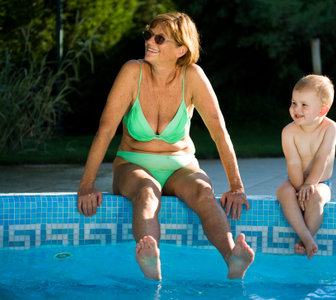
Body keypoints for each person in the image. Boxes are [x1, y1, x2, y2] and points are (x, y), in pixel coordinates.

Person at [77, 12, 254, 281]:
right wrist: (86, 185)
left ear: (181, 49)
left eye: (160, 38)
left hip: (180, 165)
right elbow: (105, 130)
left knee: (204, 193)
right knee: (148, 193)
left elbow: (219, 132)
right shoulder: (132, 72)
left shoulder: (192, 76)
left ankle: (233, 257)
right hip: (133, 162)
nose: (150, 41)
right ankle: (150, 260)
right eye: (149, 34)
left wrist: (237, 187)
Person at [276, 74, 336, 259]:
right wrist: (298, 188)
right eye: (294, 103)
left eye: (304, 105)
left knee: (317, 195)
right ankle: (306, 237)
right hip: (295, 182)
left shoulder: (330, 128)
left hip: (321, 182)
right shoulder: (288, 132)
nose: (296, 109)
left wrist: (309, 185)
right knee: (283, 191)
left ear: (322, 110)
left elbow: (323, 158)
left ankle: (305, 241)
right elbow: (293, 162)